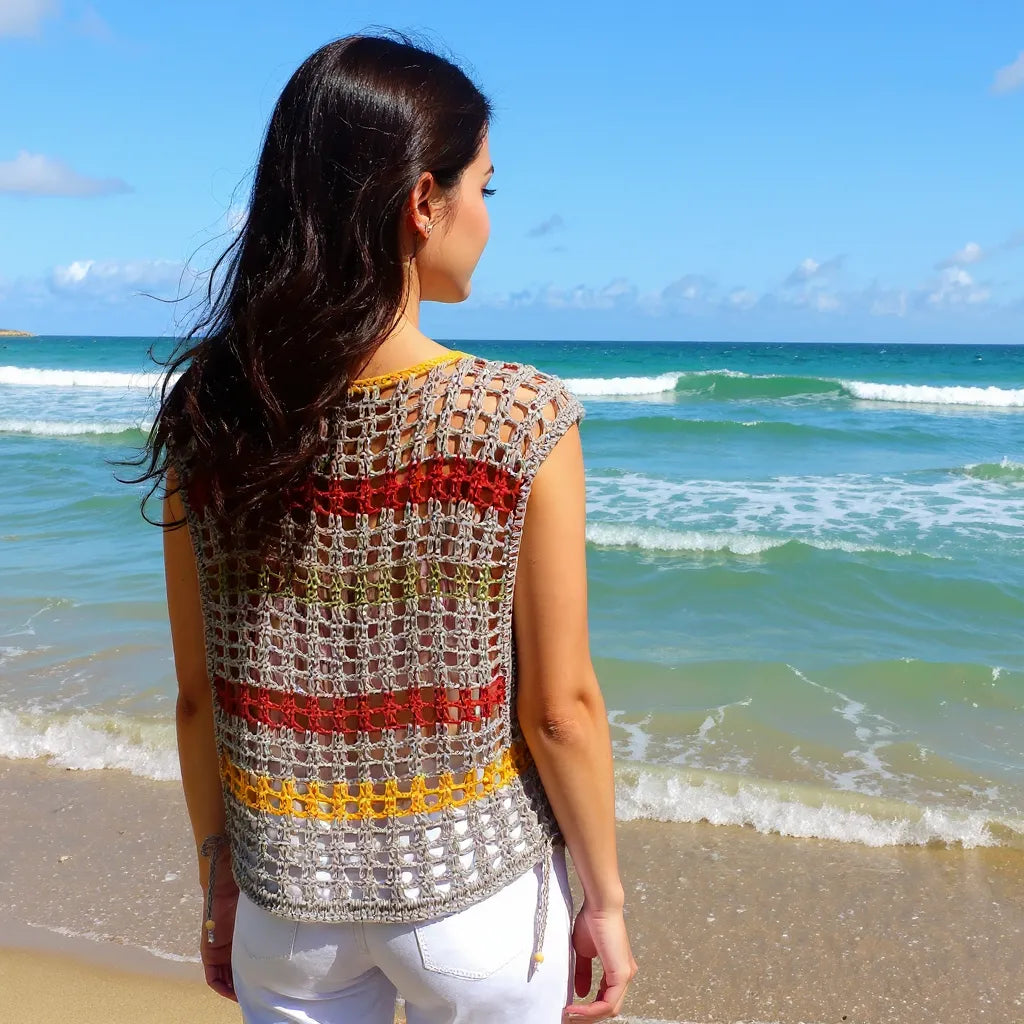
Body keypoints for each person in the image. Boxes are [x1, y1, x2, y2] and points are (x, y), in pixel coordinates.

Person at [146, 29, 637, 1024]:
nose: (487, 220)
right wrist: (607, 900)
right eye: (484, 189)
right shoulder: (518, 416)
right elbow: (561, 710)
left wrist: (219, 882)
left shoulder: (213, 415)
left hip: (287, 906)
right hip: (477, 897)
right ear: (424, 200)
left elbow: (200, 700)